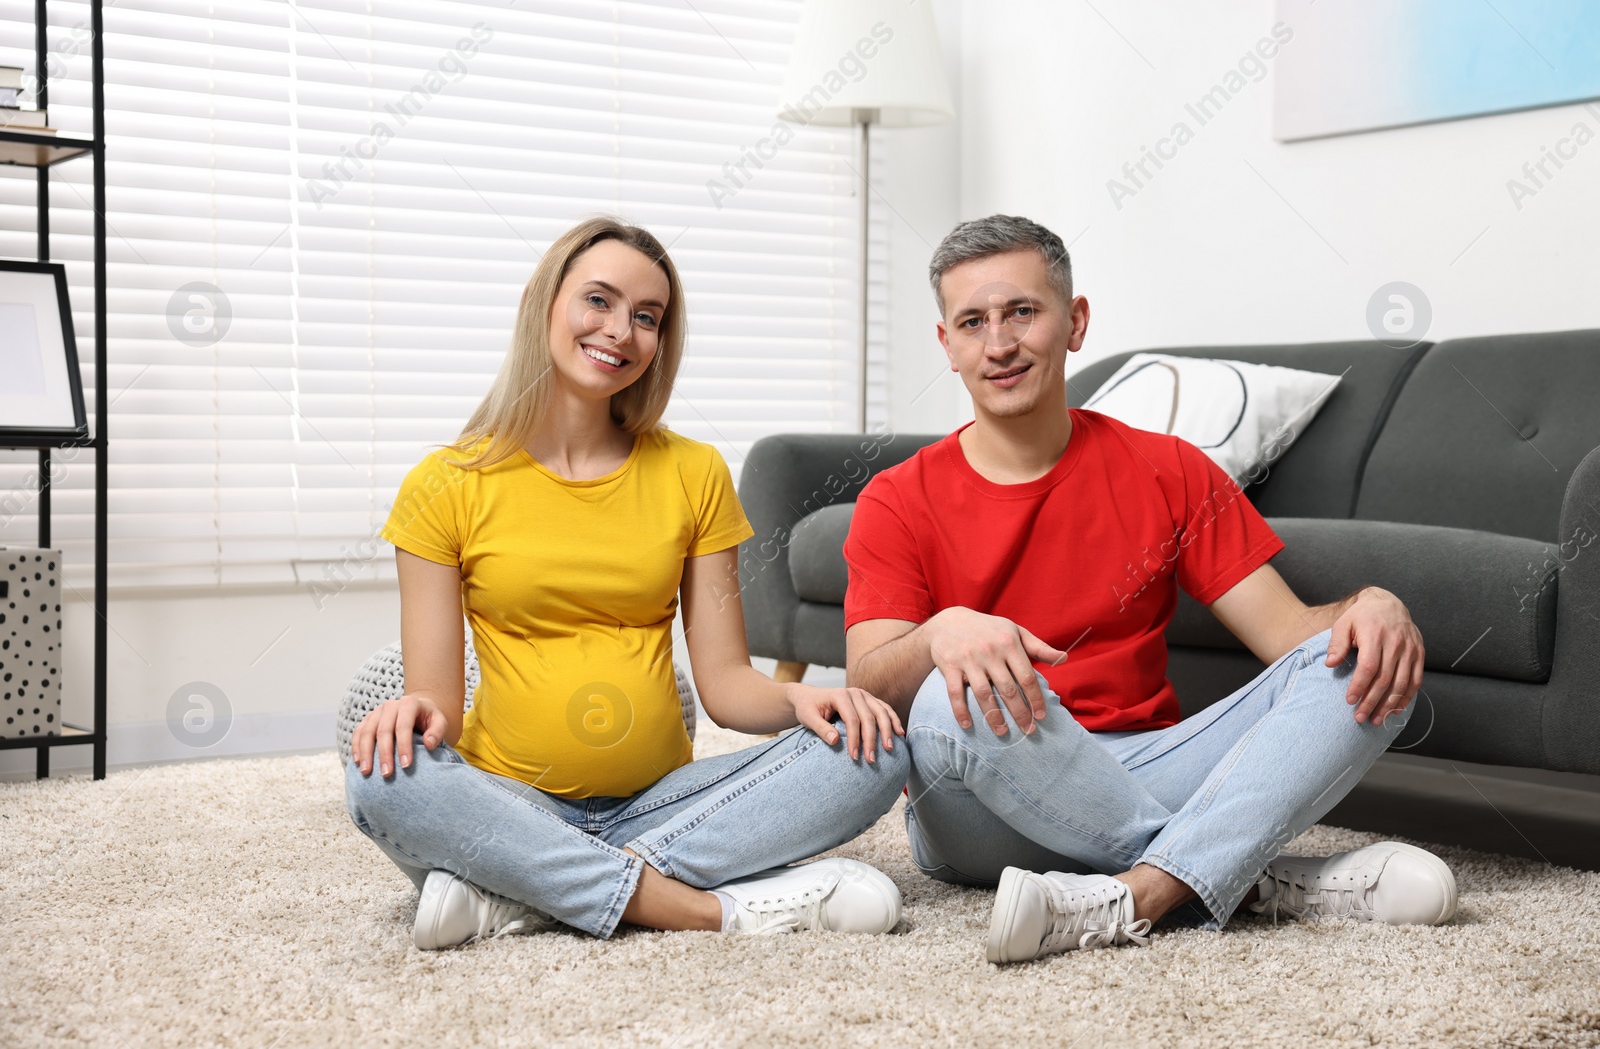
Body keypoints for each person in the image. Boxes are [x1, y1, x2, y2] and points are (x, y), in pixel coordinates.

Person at [843, 214, 1457, 963]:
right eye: (973, 321)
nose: (998, 344)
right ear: (948, 345)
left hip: (1149, 764)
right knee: (945, 697)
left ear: (1075, 323)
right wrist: (940, 633)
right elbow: (871, 684)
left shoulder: (1168, 468)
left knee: (1363, 661)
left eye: (1022, 313)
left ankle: (1141, 893)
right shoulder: (895, 498)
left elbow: (1290, 635)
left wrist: (1371, 606)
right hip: (980, 807)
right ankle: (1245, 873)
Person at [345, 216, 908, 950]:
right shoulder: (445, 483)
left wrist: (800, 696)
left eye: (648, 317)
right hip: (514, 803)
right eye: (599, 301)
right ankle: (709, 908)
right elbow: (439, 707)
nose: (622, 330)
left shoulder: (693, 471)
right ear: (542, 303)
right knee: (382, 778)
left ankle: (528, 892)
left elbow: (728, 685)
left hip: (663, 806)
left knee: (877, 747)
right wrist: (408, 715)